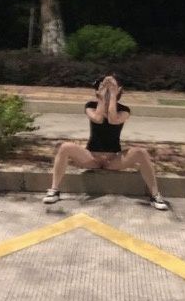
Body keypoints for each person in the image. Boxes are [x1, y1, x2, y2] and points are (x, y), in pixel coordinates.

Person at [43, 74, 170, 210]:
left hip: (113, 159)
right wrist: (102, 98)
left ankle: (155, 195)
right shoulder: (90, 106)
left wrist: (113, 96)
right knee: (64, 147)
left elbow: (113, 120)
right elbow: (98, 119)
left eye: (112, 87)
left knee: (141, 152)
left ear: (119, 89)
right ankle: (54, 190)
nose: (108, 89)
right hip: (91, 157)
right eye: (105, 86)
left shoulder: (124, 110)